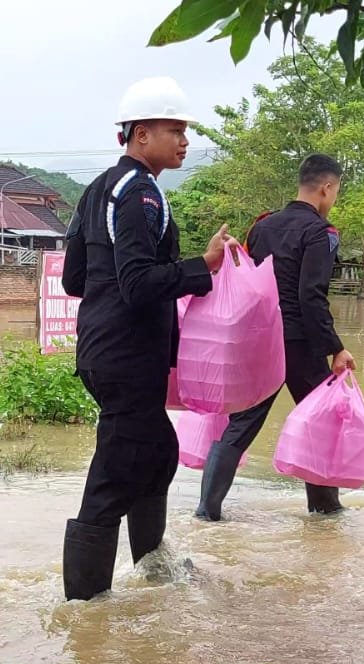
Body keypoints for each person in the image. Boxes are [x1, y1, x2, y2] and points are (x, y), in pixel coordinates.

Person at [60, 76, 230, 601]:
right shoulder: (139, 195)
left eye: (185, 131)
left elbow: (73, 278)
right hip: (127, 358)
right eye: (174, 130)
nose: (184, 141)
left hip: (105, 352)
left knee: (157, 452)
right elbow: (135, 284)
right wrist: (201, 267)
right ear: (139, 134)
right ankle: (84, 609)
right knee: (112, 478)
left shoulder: (98, 190)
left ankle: (153, 569)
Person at [196, 153, 354, 521]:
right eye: (336, 192)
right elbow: (310, 297)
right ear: (327, 188)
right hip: (298, 343)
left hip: (259, 340)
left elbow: (247, 284)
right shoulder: (321, 233)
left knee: (243, 422)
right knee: (319, 419)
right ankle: (325, 510)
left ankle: (207, 512)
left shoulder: (262, 227)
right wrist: (336, 348)